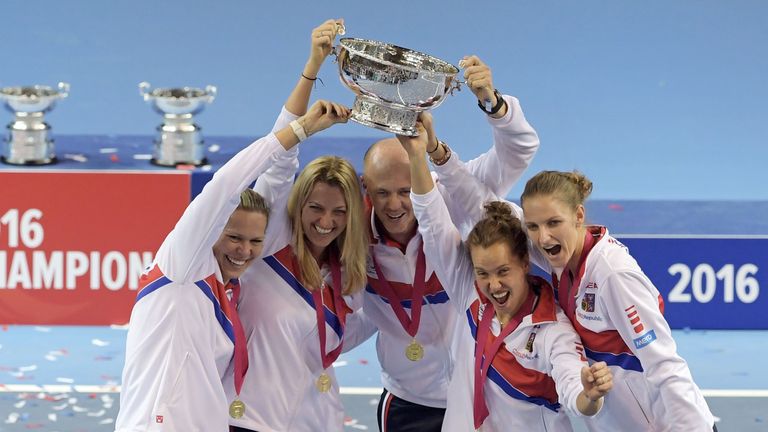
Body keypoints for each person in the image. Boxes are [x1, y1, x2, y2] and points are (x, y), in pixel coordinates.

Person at [114, 94, 349, 431]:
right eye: (234, 238)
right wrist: (298, 131)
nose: (244, 250)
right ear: (212, 231)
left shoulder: (227, 292)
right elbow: (227, 184)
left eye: (255, 242)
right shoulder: (183, 266)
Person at [343, 55, 543, 431]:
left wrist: (493, 103)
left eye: (405, 191)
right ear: (365, 187)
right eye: (382, 193)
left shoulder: (451, 194)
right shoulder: (350, 233)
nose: (395, 205)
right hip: (407, 400)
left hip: (478, 393)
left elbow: (519, 152)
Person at [399, 121, 612, 431]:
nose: (493, 286)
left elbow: (573, 386)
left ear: (525, 263)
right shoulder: (471, 293)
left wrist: (589, 396)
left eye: (503, 272)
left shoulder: (552, 329)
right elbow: (433, 224)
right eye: (483, 273)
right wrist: (418, 155)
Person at [223, 19, 370, 432]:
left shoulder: (351, 276)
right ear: (298, 203)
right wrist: (313, 67)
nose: (326, 222)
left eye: (339, 213)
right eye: (316, 208)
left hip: (313, 420)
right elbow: (278, 155)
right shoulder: (270, 240)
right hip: (243, 419)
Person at [518, 170, 717, 431]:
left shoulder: (613, 275)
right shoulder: (563, 258)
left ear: (579, 216)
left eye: (554, 222)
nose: (543, 237)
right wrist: (448, 168)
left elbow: (663, 363)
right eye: (533, 226)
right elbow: (497, 212)